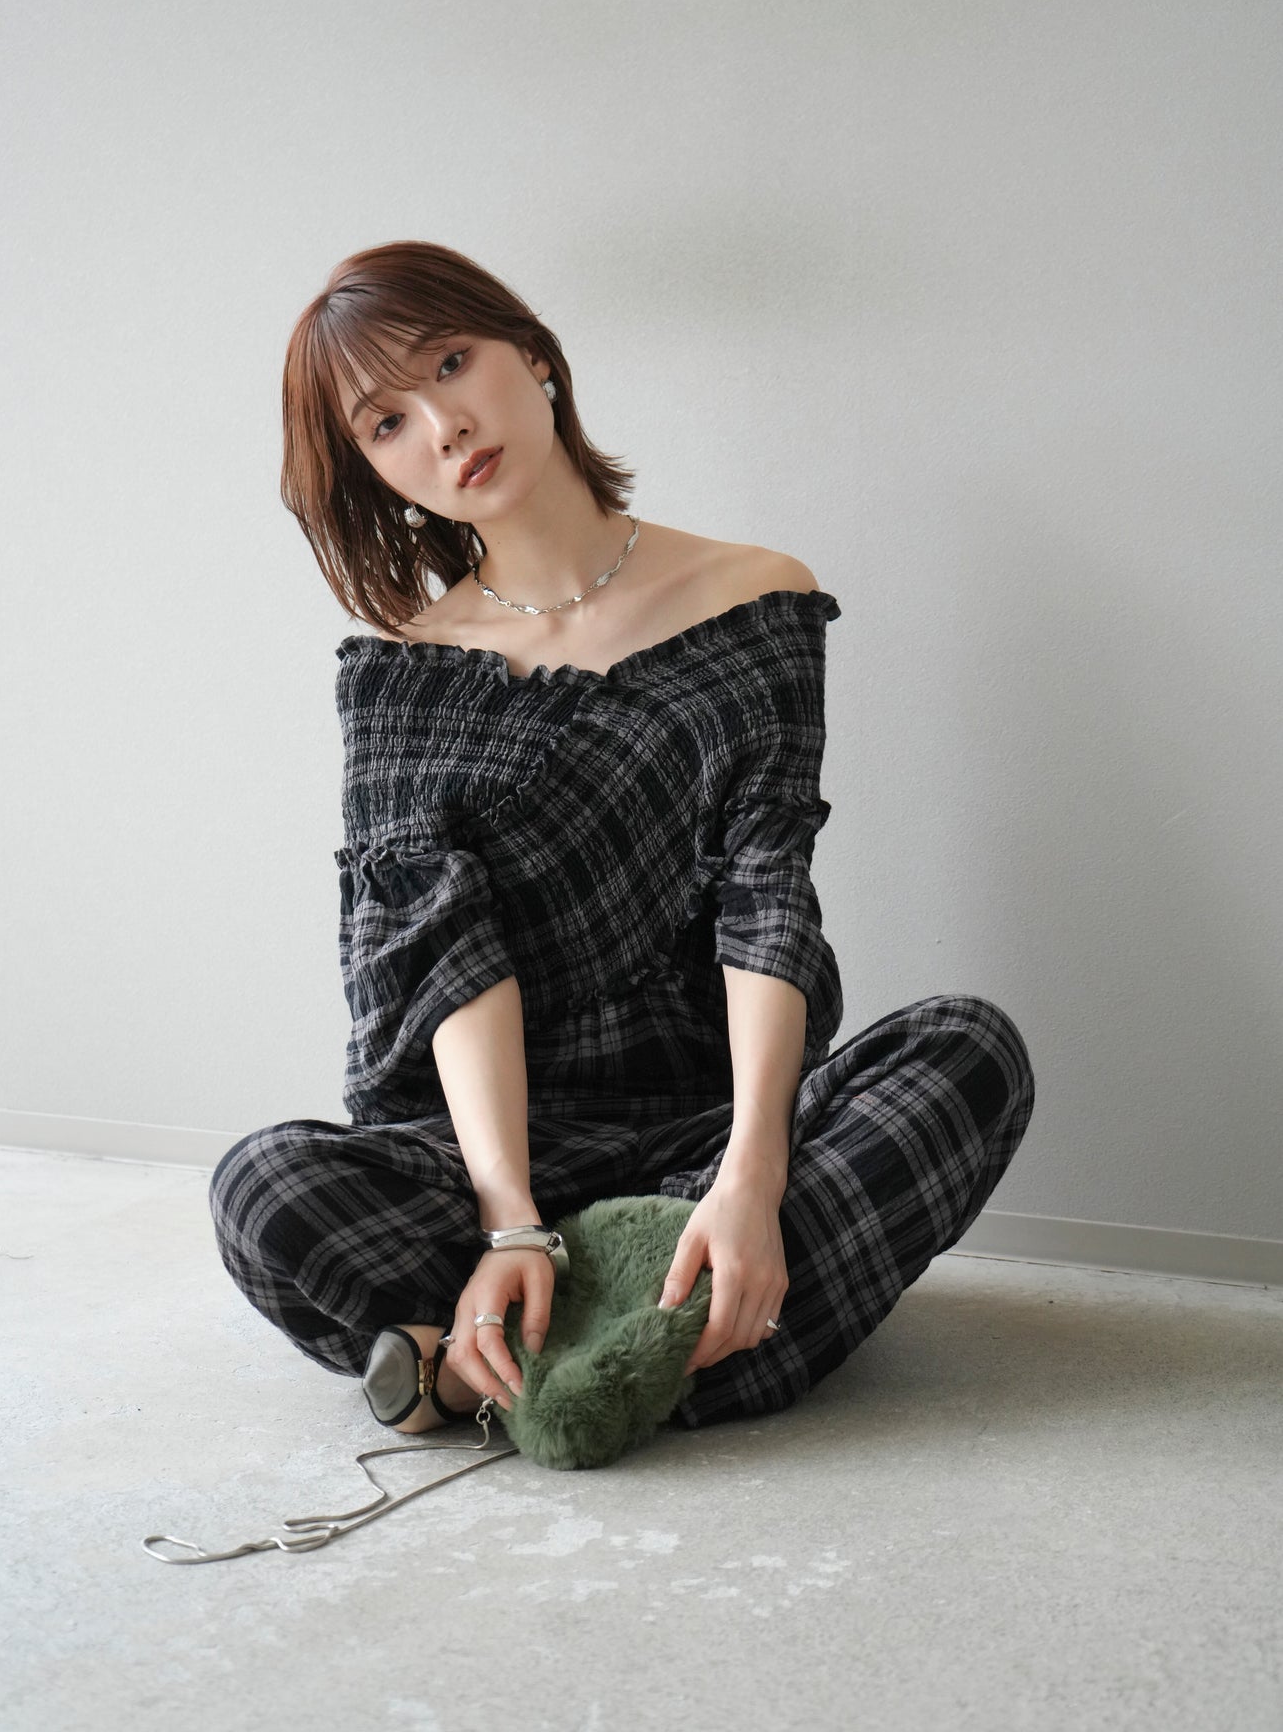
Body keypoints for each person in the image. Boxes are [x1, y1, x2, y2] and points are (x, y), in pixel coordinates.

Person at [208, 239, 1037, 1438]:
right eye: (386, 423)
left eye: (452, 364)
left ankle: (471, 1373)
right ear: (375, 471)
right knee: (264, 1188)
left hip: (703, 1134)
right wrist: (512, 1222)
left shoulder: (754, 597)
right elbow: (448, 965)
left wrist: (750, 1179)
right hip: (484, 1163)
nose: (443, 426)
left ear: (533, 354)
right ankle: (665, 1353)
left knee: (969, 1051)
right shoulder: (401, 678)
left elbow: (766, 893)